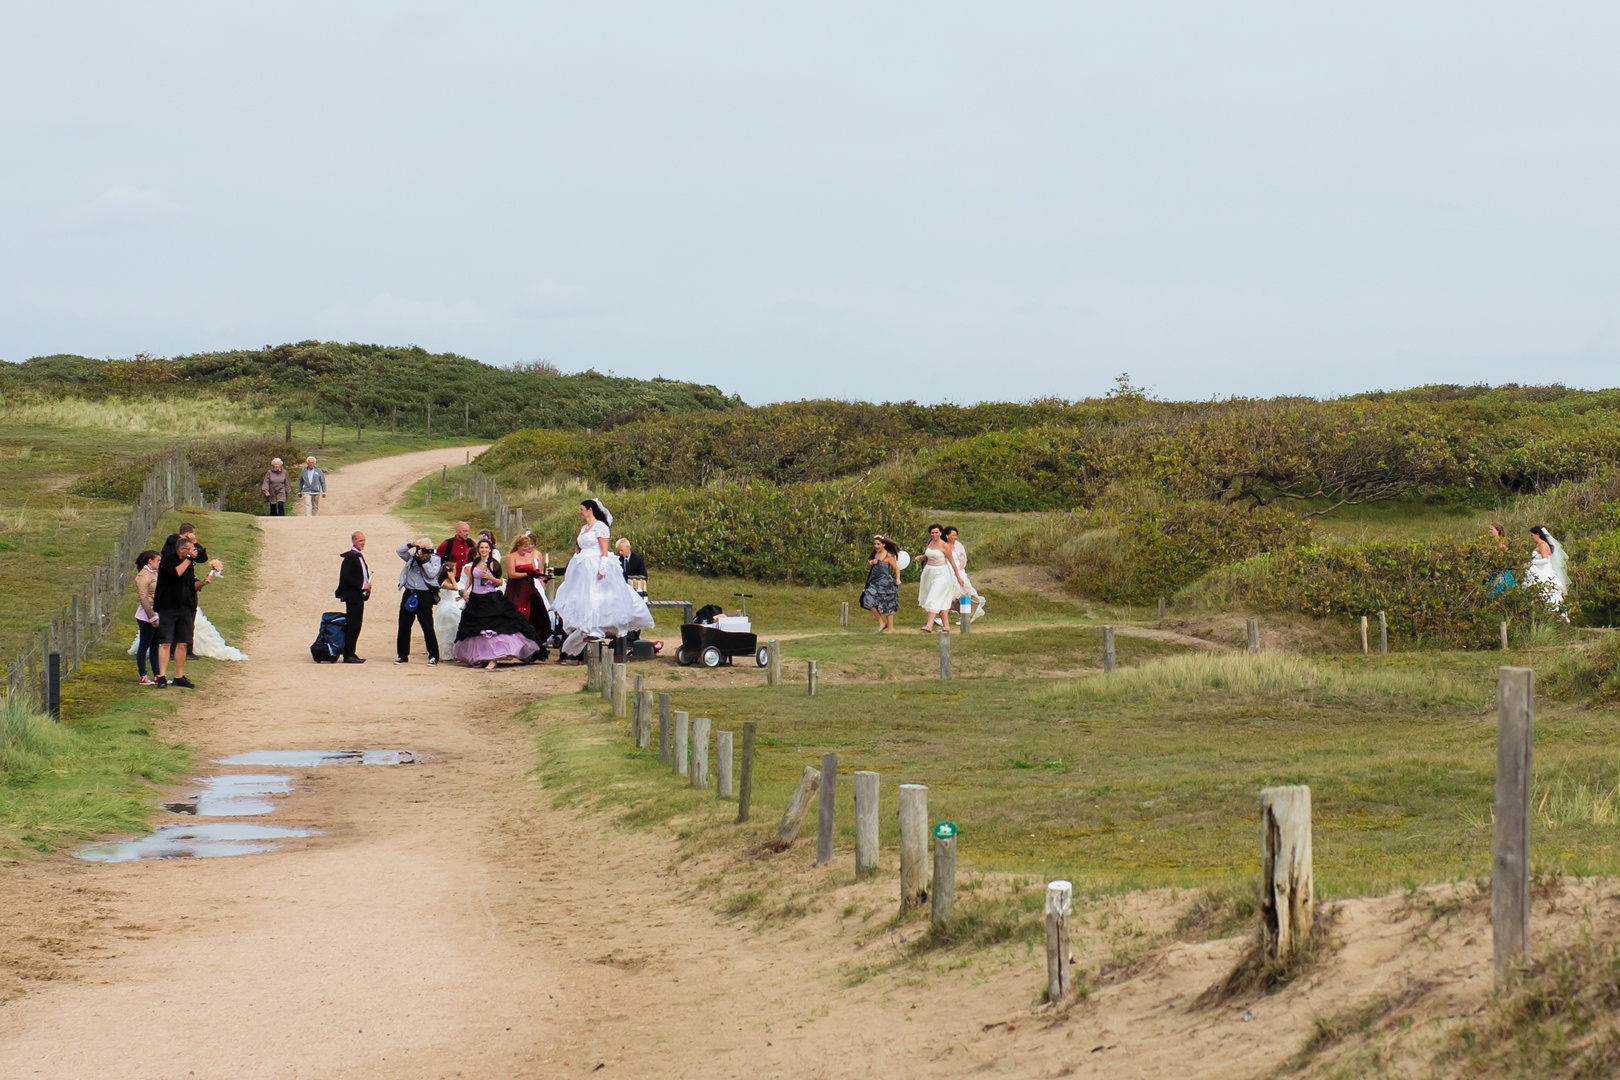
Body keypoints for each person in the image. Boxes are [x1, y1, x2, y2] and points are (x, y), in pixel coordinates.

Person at [551, 499, 655, 656]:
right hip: (583, 565)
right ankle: (586, 626)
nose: (580, 512)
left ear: (590, 510)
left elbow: (604, 549)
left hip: (596, 563)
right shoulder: (584, 528)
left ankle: (597, 628)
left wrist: (603, 567)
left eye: (582, 509)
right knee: (582, 596)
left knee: (598, 596)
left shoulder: (600, 527)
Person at [453, 538, 542, 669]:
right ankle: (482, 657)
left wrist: (490, 578)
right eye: (481, 548)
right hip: (476, 599)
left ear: (490, 550)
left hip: (489, 598)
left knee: (492, 629)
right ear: (478, 550)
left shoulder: (493, 564)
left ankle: (493, 658)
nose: (483, 550)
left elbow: (500, 582)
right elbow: (471, 578)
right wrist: (465, 590)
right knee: (477, 629)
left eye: (486, 548)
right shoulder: (476, 562)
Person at [154, 532, 213, 687]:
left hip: (185, 607)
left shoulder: (189, 564)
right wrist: (188, 559)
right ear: (180, 549)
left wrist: (204, 582)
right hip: (168, 607)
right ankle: (161, 676)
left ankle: (179, 676)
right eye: (189, 549)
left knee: (183, 642)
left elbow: (190, 585)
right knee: (166, 642)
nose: (192, 552)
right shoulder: (168, 560)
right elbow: (176, 573)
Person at [395, 536, 442, 665]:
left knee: (427, 626)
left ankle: (433, 655)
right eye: (421, 549)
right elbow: (399, 551)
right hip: (409, 593)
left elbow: (431, 574)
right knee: (404, 625)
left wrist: (424, 561)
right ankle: (402, 655)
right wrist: (412, 544)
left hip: (424, 595)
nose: (424, 551)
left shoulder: (435, 559)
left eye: (426, 549)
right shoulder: (411, 558)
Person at [504, 534, 554, 649]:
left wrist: (539, 575)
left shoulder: (530, 556)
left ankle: (536, 639)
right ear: (518, 545)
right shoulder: (511, 557)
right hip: (516, 588)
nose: (527, 549)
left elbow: (534, 570)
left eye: (528, 546)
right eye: (525, 547)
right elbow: (512, 574)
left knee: (538, 611)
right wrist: (527, 573)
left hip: (529, 587)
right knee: (519, 611)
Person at [916, 524, 966, 633]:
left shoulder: (944, 545)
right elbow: (929, 555)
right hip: (929, 572)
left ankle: (929, 625)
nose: (934, 535)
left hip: (942, 573)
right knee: (941, 600)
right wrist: (921, 557)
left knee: (933, 597)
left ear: (940, 533)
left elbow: (952, 562)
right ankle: (946, 626)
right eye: (932, 533)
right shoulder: (930, 543)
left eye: (936, 532)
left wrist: (958, 577)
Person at [334, 531, 370, 663]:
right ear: (354, 541)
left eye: (364, 540)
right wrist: (362, 585)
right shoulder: (350, 557)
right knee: (353, 625)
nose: (363, 543)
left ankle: (351, 652)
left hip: (358, 596)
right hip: (352, 596)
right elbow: (346, 578)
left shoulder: (358, 556)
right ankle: (348, 654)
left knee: (357, 624)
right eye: (361, 541)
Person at [943, 526, 986, 623]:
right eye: (953, 535)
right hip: (947, 574)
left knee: (970, 594)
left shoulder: (958, 546)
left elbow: (963, 559)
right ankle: (961, 616)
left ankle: (970, 614)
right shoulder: (943, 545)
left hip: (959, 573)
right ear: (947, 535)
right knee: (952, 598)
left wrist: (959, 573)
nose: (955, 537)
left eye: (956, 535)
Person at [859, 535, 900, 633]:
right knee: (867, 600)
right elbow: (870, 561)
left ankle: (890, 629)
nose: (876, 546)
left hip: (886, 584)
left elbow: (896, 568)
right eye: (875, 544)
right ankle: (881, 623)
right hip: (874, 583)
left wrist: (898, 579)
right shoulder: (875, 554)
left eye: (878, 544)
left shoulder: (888, 555)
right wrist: (872, 562)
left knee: (888, 605)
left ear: (883, 545)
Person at [1527, 525, 1570, 616]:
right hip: (1540, 569)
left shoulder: (1543, 545)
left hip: (1544, 571)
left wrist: (1533, 562)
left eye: (1532, 535)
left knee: (1549, 590)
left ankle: (1555, 611)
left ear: (1537, 534)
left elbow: (1545, 559)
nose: (1531, 537)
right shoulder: (1540, 544)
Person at [133, 549, 161, 684]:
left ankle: (157, 673)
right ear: (150, 561)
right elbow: (144, 598)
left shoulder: (152, 573)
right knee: (144, 645)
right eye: (157, 561)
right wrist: (152, 617)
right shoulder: (143, 576)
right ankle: (142, 675)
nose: (159, 563)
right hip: (147, 614)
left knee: (155, 645)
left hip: (156, 611)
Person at [434, 560, 470, 651]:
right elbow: (455, 588)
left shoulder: (447, 583)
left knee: (453, 630)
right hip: (448, 608)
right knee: (449, 629)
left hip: (451, 605)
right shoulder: (445, 583)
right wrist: (452, 578)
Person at [1487, 523, 1517, 595]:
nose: (1489, 531)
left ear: (1498, 531)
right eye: (1489, 529)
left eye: (1491, 529)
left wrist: (1499, 574)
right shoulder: (1491, 542)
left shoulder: (1501, 543)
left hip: (1499, 570)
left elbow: (1502, 560)